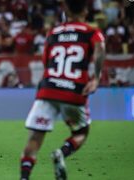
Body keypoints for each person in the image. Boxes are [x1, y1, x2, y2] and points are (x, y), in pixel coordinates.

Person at [19, 0, 106, 179]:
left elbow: (46, 62)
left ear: (65, 9)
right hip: (74, 91)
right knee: (81, 132)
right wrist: (96, 78)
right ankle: (62, 153)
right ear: (85, 10)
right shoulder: (91, 32)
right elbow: (100, 48)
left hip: (48, 89)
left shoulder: (54, 32)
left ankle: (24, 177)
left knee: (35, 136)